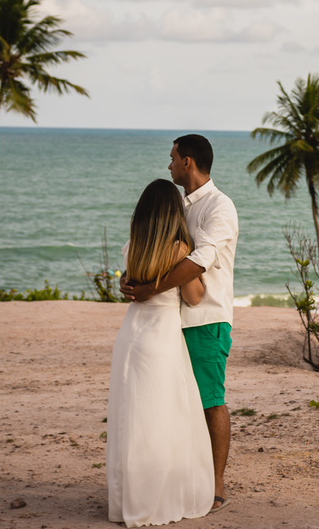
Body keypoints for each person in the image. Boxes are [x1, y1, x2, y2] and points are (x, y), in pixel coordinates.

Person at [121, 134, 239, 514]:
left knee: (209, 401)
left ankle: (217, 482)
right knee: (173, 406)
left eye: (172, 159)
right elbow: (155, 250)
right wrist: (130, 278)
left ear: (187, 161)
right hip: (169, 322)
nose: (168, 165)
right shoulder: (176, 206)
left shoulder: (219, 207)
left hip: (205, 319)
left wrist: (147, 288)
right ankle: (182, 479)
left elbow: (197, 262)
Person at [107, 179, 214, 527]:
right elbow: (194, 296)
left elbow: (128, 283)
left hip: (130, 336)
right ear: (173, 211)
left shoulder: (132, 247)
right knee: (160, 420)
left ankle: (127, 502)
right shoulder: (180, 248)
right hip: (161, 338)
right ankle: (156, 500)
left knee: (130, 419)